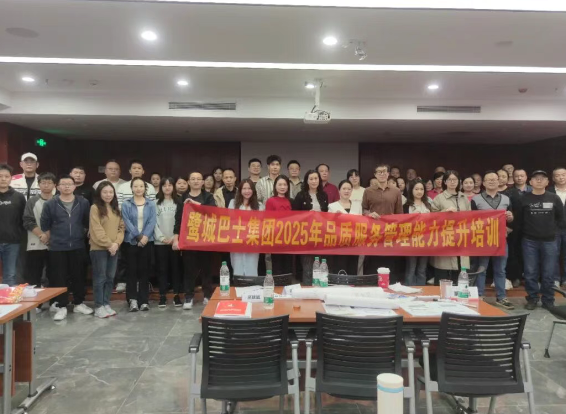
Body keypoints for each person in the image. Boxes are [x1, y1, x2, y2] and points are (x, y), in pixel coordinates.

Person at [40, 175, 91, 321]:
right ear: (58, 187)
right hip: (57, 247)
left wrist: (80, 234)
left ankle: (79, 303)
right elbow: (45, 224)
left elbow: (87, 222)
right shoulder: (51, 203)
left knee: (78, 275)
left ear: (75, 187)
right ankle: (61, 306)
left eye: (70, 184)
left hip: (77, 245)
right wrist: (52, 239)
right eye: (63, 184)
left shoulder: (83, 202)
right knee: (59, 277)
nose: (67, 186)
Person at [516, 170, 565, 310]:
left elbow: (561, 219)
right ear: (530, 182)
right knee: (530, 272)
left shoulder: (554, 198)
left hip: (550, 241)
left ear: (547, 182)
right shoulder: (523, 199)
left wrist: (551, 231)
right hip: (529, 241)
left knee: (549, 273)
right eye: (536, 178)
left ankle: (548, 299)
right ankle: (532, 298)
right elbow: (519, 220)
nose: (539, 180)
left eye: (542, 178)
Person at [173, 171, 217, 310]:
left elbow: (212, 212)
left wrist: (195, 204)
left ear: (203, 182)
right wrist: (176, 239)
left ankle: (207, 295)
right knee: (189, 269)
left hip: (205, 239)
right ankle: (188, 296)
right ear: (189, 182)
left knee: (206, 268)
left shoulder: (208, 196)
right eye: (193, 179)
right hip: (189, 239)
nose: (196, 181)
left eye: (199, 179)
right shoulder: (182, 198)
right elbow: (178, 219)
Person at [471, 171, 514, 310]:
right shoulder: (476, 199)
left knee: (500, 269)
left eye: (494, 179)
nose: (491, 181)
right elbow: (471, 220)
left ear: (499, 182)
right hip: (483, 239)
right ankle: (479, 296)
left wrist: (510, 218)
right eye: (488, 179)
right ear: (483, 183)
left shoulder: (506, 199)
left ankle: (501, 297)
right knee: (481, 268)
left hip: (501, 239)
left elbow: (511, 220)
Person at [89, 181, 125, 318]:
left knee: (110, 277)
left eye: (110, 192)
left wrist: (116, 243)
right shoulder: (95, 208)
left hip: (114, 248)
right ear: (99, 193)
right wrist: (109, 245)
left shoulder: (116, 208)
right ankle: (99, 306)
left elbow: (121, 228)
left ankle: (106, 303)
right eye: (105, 192)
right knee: (100, 278)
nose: (108, 195)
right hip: (99, 249)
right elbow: (96, 229)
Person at [121, 177, 156, 312]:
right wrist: (138, 236)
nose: (138, 189)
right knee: (131, 272)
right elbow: (126, 221)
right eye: (135, 186)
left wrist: (145, 236)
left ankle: (144, 300)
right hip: (131, 241)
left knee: (144, 272)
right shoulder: (126, 204)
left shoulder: (151, 204)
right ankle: (132, 300)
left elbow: (152, 221)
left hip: (147, 241)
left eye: (141, 186)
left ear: (145, 188)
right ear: (131, 188)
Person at [362, 164, 403, 278]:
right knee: (372, 261)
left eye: (384, 171)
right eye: (379, 172)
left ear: (388, 174)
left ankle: (389, 283)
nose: (382, 174)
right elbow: (364, 209)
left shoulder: (396, 191)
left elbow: (400, 213)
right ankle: (371, 283)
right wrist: (369, 214)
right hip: (373, 232)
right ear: (375, 175)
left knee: (389, 261)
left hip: (390, 232)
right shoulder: (368, 191)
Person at [430, 170, 471, 284]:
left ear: (459, 182)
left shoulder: (464, 198)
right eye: (449, 180)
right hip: (445, 239)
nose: (452, 182)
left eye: (455, 180)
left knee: (460, 275)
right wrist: (444, 212)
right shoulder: (439, 198)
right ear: (445, 182)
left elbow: (470, 218)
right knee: (443, 275)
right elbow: (431, 218)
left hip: (461, 238)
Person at [293, 170, 329, 284]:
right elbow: (294, 216)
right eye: (311, 179)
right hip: (305, 235)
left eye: (316, 178)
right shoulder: (300, 195)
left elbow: (327, 214)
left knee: (320, 265)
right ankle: (307, 289)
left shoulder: (324, 195)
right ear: (307, 181)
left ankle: (319, 288)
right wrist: (307, 214)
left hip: (321, 235)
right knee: (307, 267)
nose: (314, 181)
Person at [23, 172, 55, 291]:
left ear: (55, 185)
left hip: (55, 244)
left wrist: (49, 235)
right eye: (43, 183)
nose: (46, 185)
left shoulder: (58, 200)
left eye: (49, 183)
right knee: (34, 275)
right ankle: (35, 301)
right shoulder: (32, 201)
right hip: (35, 243)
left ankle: (54, 300)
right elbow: (27, 220)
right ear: (38, 184)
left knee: (54, 274)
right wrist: (42, 235)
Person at [154, 177, 182, 307]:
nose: (167, 187)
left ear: (173, 187)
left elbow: (181, 222)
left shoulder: (178, 202)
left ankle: (176, 295)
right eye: (164, 185)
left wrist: (174, 238)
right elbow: (153, 222)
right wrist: (161, 238)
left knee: (176, 269)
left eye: (170, 185)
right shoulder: (155, 203)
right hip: (160, 242)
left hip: (175, 241)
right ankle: (162, 296)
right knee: (162, 269)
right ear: (161, 187)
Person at [229, 179, 264, 276]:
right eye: (244, 188)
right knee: (237, 266)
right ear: (240, 190)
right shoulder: (233, 203)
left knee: (252, 266)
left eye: (249, 188)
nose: (247, 191)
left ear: (253, 190)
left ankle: (251, 285)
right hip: (237, 240)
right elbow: (230, 221)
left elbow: (261, 223)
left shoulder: (260, 206)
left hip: (252, 240)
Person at [0, 164, 26, 286]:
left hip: (12, 242)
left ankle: (9, 298)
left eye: (6, 176)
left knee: (10, 275)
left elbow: (24, 219)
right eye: (0, 176)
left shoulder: (19, 197)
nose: (3, 179)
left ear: (11, 178)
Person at [328, 180, 361, 275]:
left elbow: (361, 222)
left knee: (352, 269)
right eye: (344, 189)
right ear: (339, 190)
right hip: (338, 243)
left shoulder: (358, 205)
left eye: (349, 189)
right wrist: (335, 218)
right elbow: (328, 225)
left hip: (354, 243)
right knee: (340, 269)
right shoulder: (332, 206)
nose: (346, 191)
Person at [403, 179, 431, 286]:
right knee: (411, 269)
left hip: (425, 241)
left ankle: (422, 291)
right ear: (411, 190)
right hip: (411, 242)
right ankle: (409, 290)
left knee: (422, 270)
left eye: (421, 189)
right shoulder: (406, 206)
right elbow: (402, 224)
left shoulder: (428, 205)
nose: (419, 191)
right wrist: (412, 217)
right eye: (416, 189)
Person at [266, 175, 293, 275]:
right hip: (275, 237)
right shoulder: (270, 201)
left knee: (288, 265)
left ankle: (287, 283)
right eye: (280, 184)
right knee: (277, 265)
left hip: (289, 238)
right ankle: (277, 284)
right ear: (275, 186)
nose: (282, 187)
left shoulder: (291, 201)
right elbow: (267, 220)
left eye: (285, 184)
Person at [549, 167, 566, 288]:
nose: (561, 177)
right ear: (553, 178)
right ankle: (555, 279)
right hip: (553, 228)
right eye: (558, 175)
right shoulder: (549, 192)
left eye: (563, 175)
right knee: (553, 254)